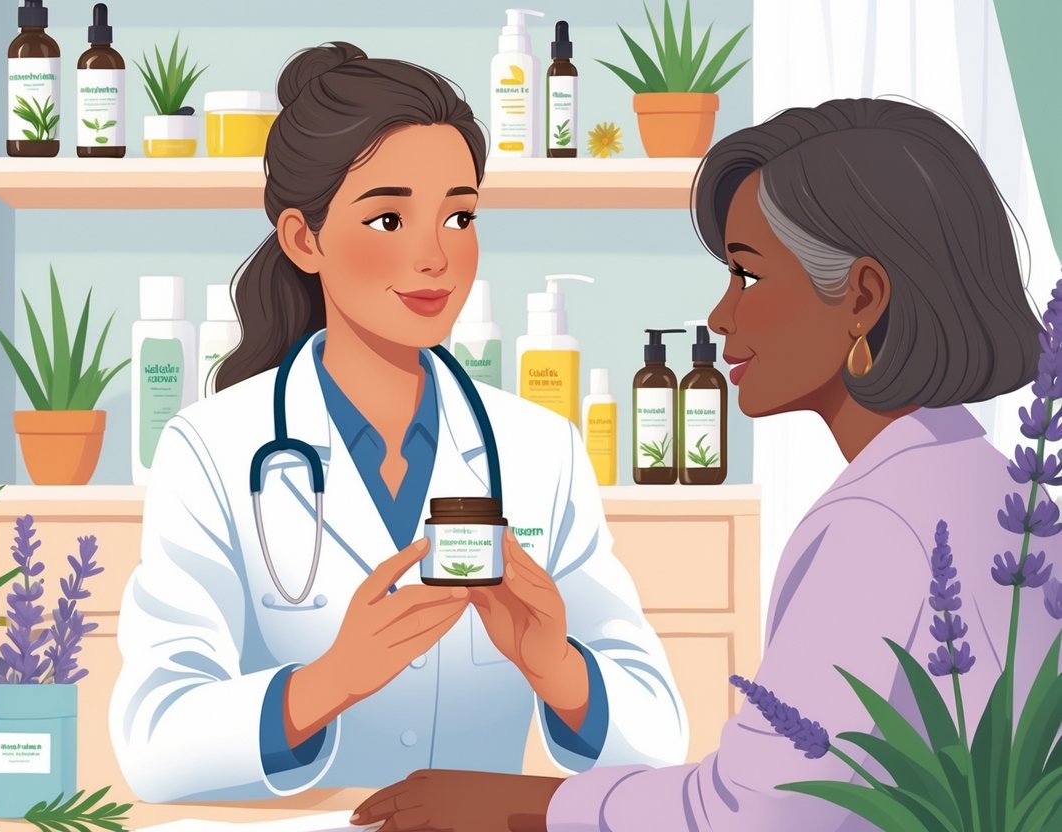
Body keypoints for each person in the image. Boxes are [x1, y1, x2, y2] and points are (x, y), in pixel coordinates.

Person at [353, 97, 1060, 831]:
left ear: (861, 296)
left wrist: (515, 806)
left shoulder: (878, 524)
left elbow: (755, 811)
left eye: (747, 276)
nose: (720, 316)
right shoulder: (988, 478)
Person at [107, 42, 688, 803]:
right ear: (303, 239)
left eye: (458, 216)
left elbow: (659, 735)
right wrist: (326, 684)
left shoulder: (537, 450)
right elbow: (153, 743)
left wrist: (558, 670)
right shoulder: (213, 449)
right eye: (388, 218)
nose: (435, 257)